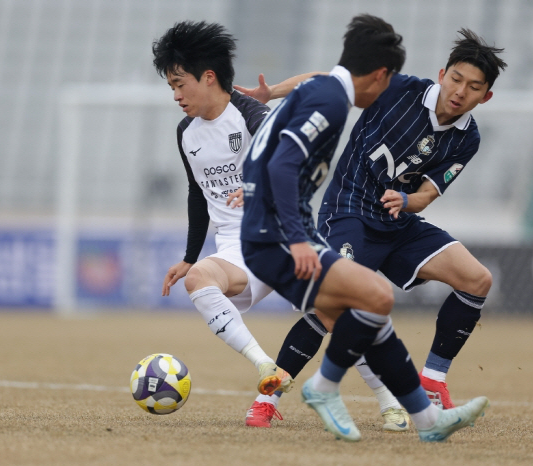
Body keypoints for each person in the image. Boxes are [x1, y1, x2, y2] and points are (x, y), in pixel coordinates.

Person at [240, 14, 489, 442]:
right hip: (349, 210)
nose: (460, 92)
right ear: (442, 75)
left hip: (398, 222)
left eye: (474, 87)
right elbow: (332, 77)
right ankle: (269, 399)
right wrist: (273, 92)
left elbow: (427, 194)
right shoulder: (398, 88)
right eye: (457, 79)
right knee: (334, 308)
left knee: (476, 279)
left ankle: (431, 381)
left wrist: (406, 201)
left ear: (485, 96)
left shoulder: (468, 137)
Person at [152, 20, 293, 404]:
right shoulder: (186, 132)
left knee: (341, 311)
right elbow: (197, 193)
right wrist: (188, 257)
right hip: (235, 247)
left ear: (209, 77)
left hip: (284, 237)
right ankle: (265, 366)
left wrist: (257, 187)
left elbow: (285, 160)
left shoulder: (252, 114)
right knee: (198, 278)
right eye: (171, 87)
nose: (176, 95)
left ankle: (390, 400)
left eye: (180, 84)